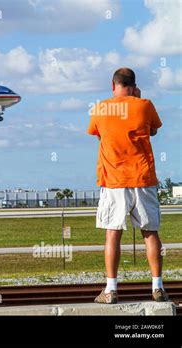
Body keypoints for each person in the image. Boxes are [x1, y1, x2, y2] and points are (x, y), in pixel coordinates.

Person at [88, 68, 168, 304]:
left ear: (113, 86)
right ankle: (158, 287)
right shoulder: (145, 104)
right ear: (134, 85)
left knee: (112, 234)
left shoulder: (101, 108)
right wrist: (137, 99)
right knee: (150, 233)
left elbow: (99, 134)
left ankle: (111, 290)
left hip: (114, 181)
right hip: (143, 178)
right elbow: (152, 130)